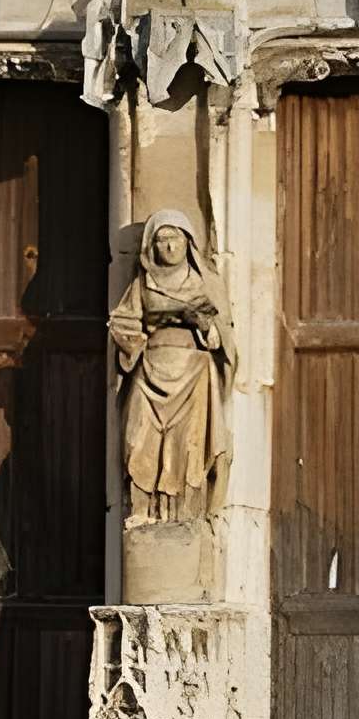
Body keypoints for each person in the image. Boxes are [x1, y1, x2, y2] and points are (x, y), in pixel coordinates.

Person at [111, 209, 235, 523]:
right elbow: (124, 323)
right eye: (162, 239)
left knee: (188, 452)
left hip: (193, 376)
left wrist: (203, 325)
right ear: (150, 246)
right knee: (137, 443)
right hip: (150, 371)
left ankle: (185, 515)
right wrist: (136, 337)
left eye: (175, 239)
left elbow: (222, 339)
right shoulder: (143, 284)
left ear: (187, 242)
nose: (169, 247)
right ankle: (144, 511)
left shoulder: (204, 283)